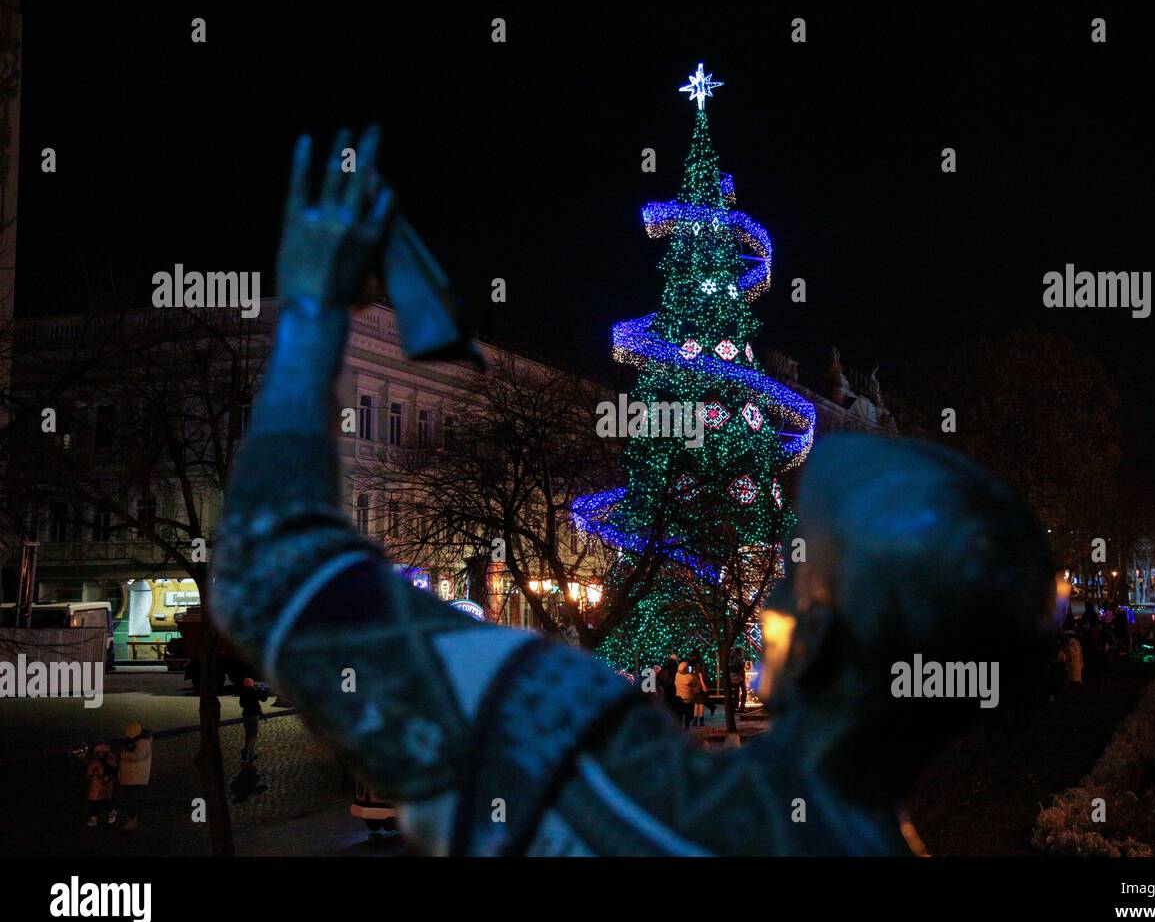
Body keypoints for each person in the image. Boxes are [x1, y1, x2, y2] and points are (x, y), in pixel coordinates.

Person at [209, 128, 1059, 855]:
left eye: (803, 570)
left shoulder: (633, 790)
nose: (770, 589)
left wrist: (314, 320)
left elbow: (275, 577)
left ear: (819, 638)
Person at [117, 721, 152, 831]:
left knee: (131, 799)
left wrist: (122, 755)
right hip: (132, 776)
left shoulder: (142, 743)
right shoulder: (139, 742)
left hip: (135, 776)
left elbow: (137, 756)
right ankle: (131, 819)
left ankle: (132, 820)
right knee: (130, 798)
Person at [240, 676, 272, 762]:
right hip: (254, 715)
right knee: (253, 735)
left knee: (248, 734)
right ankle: (248, 751)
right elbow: (264, 699)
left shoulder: (243, 692)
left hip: (245, 715)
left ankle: (250, 753)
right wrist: (263, 690)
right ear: (251, 683)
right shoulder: (254, 691)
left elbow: (241, 704)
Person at [84, 744, 116, 829]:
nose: (99, 754)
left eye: (101, 753)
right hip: (95, 785)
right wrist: (91, 773)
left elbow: (112, 773)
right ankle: (94, 819)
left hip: (104, 785)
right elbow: (89, 772)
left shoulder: (110, 762)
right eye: (97, 753)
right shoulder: (96, 762)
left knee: (104, 800)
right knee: (94, 801)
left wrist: (107, 778)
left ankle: (111, 812)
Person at [675, 661, 704, 729]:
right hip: (688, 699)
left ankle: (679, 727)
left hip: (679, 697)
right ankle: (686, 727)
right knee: (687, 714)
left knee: (680, 714)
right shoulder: (689, 677)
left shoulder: (677, 674)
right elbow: (696, 687)